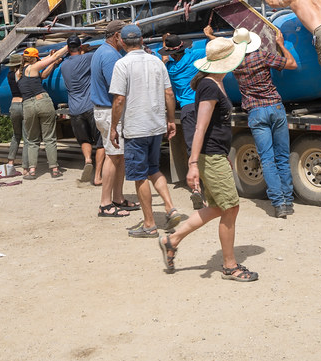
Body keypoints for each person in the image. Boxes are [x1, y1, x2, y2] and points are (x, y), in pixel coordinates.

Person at [159, 37, 259, 282]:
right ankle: (229, 266)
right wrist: (193, 164)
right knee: (231, 207)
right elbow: (200, 128)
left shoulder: (214, 82)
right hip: (208, 155)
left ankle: (172, 239)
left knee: (217, 207)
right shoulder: (210, 86)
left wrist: (222, 155)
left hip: (215, 154)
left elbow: (215, 126)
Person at [205, 25, 297, 219]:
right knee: (282, 156)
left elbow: (222, 53)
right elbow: (292, 64)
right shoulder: (263, 56)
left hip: (255, 112)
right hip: (275, 107)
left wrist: (211, 36)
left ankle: (278, 204)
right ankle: (288, 200)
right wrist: (281, 44)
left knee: (267, 159)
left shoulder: (235, 63)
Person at [108, 24, 189, 237]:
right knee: (153, 168)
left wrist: (113, 127)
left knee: (140, 175)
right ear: (142, 41)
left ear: (122, 42)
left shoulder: (122, 64)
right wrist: (170, 120)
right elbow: (169, 93)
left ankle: (150, 224)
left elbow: (119, 100)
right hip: (156, 125)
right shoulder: (156, 62)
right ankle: (170, 207)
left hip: (136, 128)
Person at [91, 19, 139, 217]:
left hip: (105, 110)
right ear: (117, 36)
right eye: (125, 35)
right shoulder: (110, 56)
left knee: (118, 157)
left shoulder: (102, 51)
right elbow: (117, 89)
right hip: (110, 111)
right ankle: (105, 203)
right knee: (113, 156)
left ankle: (117, 198)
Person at [160, 32, 207, 210]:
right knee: (208, 145)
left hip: (187, 109)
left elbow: (162, 56)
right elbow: (214, 50)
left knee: (192, 149)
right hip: (203, 105)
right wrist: (209, 35)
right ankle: (213, 185)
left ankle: (197, 189)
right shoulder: (195, 55)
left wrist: (165, 46)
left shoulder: (169, 68)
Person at [18, 44, 69, 180]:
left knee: (32, 140)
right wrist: (67, 46)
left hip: (28, 105)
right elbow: (55, 56)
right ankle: (54, 168)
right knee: (49, 138)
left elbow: (43, 75)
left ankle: (32, 170)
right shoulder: (34, 67)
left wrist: (51, 62)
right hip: (43, 102)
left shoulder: (19, 73)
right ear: (34, 59)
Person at [60, 34, 104, 186]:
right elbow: (100, 53)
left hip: (74, 109)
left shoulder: (63, 66)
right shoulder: (87, 58)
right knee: (101, 141)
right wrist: (86, 49)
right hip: (90, 107)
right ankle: (98, 175)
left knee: (84, 139)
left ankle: (87, 160)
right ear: (79, 46)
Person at [5, 56, 26, 173]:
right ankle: (26, 165)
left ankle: (10, 162)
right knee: (27, 137)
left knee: (16, 135)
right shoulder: (24, 73)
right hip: (24, 104)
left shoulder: (9, 75)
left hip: (13, 105)